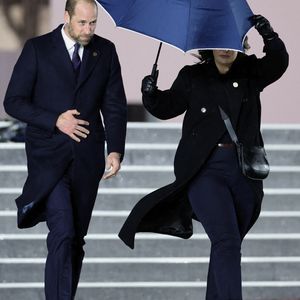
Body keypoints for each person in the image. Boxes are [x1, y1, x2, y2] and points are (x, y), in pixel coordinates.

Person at [119, 15, 288, 299]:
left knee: (227, 245)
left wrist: (269, 35)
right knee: (226, 241)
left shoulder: (250, 72)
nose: (225, 48)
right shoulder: (192, 76)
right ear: (209, 45)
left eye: (231, 40)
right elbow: (167, 107)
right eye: (219, 41)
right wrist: (150, 93)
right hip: (204, 171)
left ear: (240, 43)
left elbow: (278, 63)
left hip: (244, 172)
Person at [4, 0, 127, 298]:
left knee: (76, 240)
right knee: (62, 233)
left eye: (93, 23)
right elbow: (13, 102)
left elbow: (114, 105)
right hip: (48, 158)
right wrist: (54, 120)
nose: (88, 29)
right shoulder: (38, 49)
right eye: (82, 23)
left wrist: (115, 150)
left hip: (87, 159)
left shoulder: (106, 51)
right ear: (67, 17)